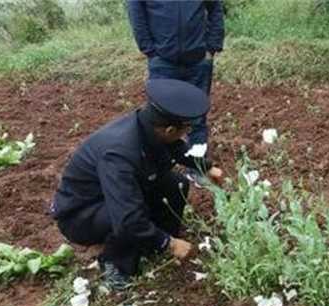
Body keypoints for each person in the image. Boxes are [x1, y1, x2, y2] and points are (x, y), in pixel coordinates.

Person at [51, 79, 221, 290]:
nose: (184, 134)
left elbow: (175, 146)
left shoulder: (147, 124)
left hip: (110, 193)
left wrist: (205, 166)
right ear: (169, 129)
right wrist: (168, 244)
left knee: (175, 183)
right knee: (130, 216)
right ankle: (116, 265)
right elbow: (127, 218)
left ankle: (157, 242)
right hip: (81, 214)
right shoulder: (119, 153)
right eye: (184, 129)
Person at [127, 0, 225, 185]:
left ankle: (197, 169)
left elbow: (215, 8)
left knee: (197, 118)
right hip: (162, 61)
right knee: (160, 118)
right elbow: (136, 10)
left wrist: (212, 47)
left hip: (198, 61)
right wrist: (149, 50)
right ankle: (158, 170)